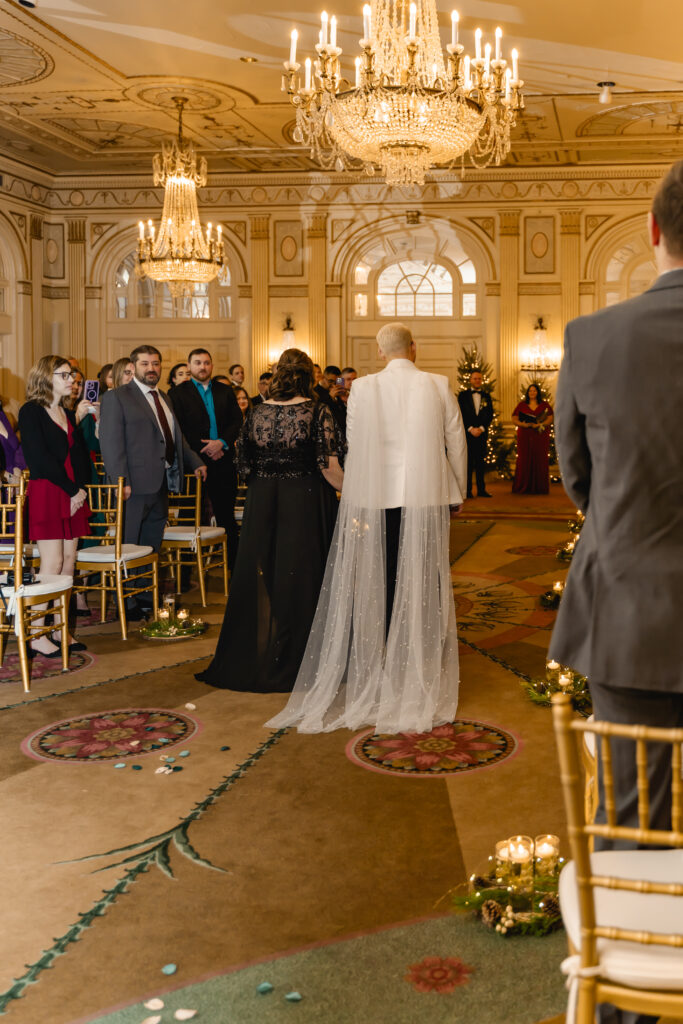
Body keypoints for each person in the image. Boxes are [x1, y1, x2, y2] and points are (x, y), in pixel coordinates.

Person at [548, 161, 683, 1024]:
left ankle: (634, 1007)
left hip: (632, 614)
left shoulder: (594, 338)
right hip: (634, 600)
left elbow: (574, 477)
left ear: (650, 229)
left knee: (632, 815)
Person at [267, 322, 467, 734]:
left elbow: (354, 445)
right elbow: (456, 440)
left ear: (379, 353)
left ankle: (381, 660)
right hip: (427, 492)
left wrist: (357, 493)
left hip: (377, 496)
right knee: (425, 577)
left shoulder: (363, 389)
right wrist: (458, 490)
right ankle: (417, 661)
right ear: (413, 348)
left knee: (385, 575)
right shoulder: (437, 383)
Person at [196, 348, 343, 693]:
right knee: (303, 574)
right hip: (303, 500)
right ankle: (301, 656)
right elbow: (330, 469)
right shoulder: (316, 410)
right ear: (308, 375)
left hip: (262, 500)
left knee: (266, 573)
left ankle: (266, 650)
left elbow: (243, 466)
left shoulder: (258, 412)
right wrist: (359, 492)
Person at [99, 345, 206, 619]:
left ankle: (146, 595)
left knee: (150, 546)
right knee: (129, 544)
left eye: (156, 363)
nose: (151, 369)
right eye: (145, 363)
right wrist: (120, 481)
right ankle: (126, 601)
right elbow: (111, 445)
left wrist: (195, 462)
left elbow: (175, 437)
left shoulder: (163, 397)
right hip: (131, 486)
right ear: (133, 367)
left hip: (161, 483)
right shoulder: (117, 397)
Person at [18, 357, 91, 657]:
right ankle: (36, 633)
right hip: (50, 490)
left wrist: (80, 489)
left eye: (72, 375)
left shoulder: (66, 410)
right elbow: (40, 459)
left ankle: (62, 629)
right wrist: (72, 489)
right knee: (52, 564)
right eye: (64, 374)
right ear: (46, 377)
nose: (72, 379)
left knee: (70, 560)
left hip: (72, 492)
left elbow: (77, 456)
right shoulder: (31, 411)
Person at [167, 348, 243, 570]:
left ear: (212, 365)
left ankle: (234, 569)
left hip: (223, 460)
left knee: (226, 515)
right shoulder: (177, 394)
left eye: (207, 363)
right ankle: (187, 571)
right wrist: (205, 450)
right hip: (194, 464)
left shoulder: (225, 391)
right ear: (189, 367)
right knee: (190, 515)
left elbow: (237, 421)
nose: (203, 367)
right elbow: (178, 429)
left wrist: (221, 442)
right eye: (198, 363)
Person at [511, 384, 553, 494]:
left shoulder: (544, 405)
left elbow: (550, 418)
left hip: (540, 435)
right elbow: (514, 418)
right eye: (530, 391)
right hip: (525, 434)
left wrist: (540, 425)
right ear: (527, 393)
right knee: (524, 458)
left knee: (540, 458)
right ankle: (523, 486)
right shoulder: (522, 405)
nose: (532, 393)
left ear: (538, 392)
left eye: (534, 391)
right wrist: (523, 424)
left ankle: (540, 487)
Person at [458, 370, 493, 498]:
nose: (477, 381)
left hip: (482, 435)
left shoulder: (486, 396)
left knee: (480, 464)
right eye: (475, 378)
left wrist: (482, 428)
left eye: (479, 379)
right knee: (467, 464)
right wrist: (471, 428)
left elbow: (490, 414)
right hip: (468, 435)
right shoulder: (462, 396)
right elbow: (460, 413)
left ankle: (481, 490)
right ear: (470, 380)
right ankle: (467, 491)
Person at [314, 364, 347, 433]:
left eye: (336, 382)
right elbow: (319, 412)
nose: (333, 385)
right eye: (330, 381)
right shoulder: (315, 392)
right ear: (323, 377)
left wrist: (344, 401)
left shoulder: (338, 389)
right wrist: (330, 397)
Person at [0, 399, 26, 481]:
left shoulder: (5, 416)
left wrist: (17, 468)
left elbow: (17, 446)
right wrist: (8, 476)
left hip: (15, 478)